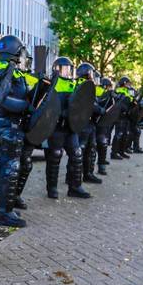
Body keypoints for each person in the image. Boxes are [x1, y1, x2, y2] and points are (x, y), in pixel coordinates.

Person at [0, 35, 37, 228]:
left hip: (15, 126)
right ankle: (3, 212)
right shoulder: (2, 70)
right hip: (6, 125)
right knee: (9, 169)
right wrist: (27, 106)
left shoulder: (14, 72)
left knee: (17, 166)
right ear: (15, 53)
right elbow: (3, 100)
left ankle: (6, 202)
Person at [44, 57, 90, 199]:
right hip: (56, 127)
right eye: (64, 68)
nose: (67, 71)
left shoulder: (74, 84)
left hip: (71, 127)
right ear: (57, 69)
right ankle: (52, 188)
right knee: (55, 156)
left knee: (77, 154)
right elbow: (47, 105)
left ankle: (75, 187)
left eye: (69, 69)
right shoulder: (52, 84)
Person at [94, 77, 114, 176]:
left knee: (100, 143)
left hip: (101, 121)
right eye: (109, 86)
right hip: (96, 120)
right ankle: (100, 167)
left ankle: (100, 166)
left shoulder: (109, 93)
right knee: (100, 143)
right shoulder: (97, 90)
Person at [111, 77, 133, 160]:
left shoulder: (127, 91)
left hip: (126, 115)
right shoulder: (119, 90)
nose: (129, 84)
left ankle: (121, 151)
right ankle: (114, 152)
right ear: (124, 83)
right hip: (120, 116)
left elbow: (129, 102)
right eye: (127, 83)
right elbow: (119, 102)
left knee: (124, 134)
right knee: (119, 134)